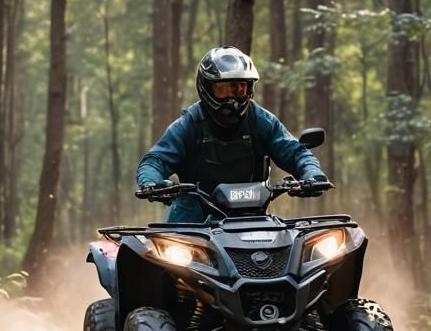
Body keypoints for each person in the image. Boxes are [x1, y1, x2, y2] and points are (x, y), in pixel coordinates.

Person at [136, 46, 329, 222]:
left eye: (239, 88)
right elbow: (154, 160)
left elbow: (295, 152)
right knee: (162, 257)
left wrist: (312, 174)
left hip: (250, 217)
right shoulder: (189, 124)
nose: (233, 99)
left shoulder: (261, 121)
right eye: (224, 89)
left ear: (249, 88)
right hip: (192, 220)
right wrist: (152, 183)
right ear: (206, 88)